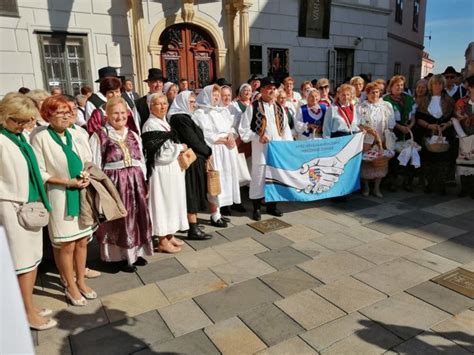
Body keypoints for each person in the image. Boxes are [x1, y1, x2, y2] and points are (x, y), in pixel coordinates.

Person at [31, 96, 96, 306]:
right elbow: (38, 171)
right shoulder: (40, 137)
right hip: (59, 195)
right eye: (60, 112)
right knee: (66, 244)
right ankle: (70, 285)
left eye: (69, 111)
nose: (66, 116)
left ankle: (81, 281)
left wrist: (86, 174)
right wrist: (66, 182)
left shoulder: (75, 133)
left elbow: (87, 158)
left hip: (81, 194)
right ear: (47, 114)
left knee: (82, 241)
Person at [0, 94, 57, 330]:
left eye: (27, 121)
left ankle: (28, 306)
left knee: (32, 261)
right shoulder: (2, 140)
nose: (23, 125)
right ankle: (25, 314)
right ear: (5, 116)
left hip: (30, 204)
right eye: (18, 121)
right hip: (10, 206)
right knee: (22, 263)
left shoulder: (18, 136)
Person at [89, 97, 153, 271]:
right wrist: (101, 188)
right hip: (114, 182)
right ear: (107, 115)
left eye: (123, 112)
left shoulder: (132, 134)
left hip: (135, 181)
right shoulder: (100, 135)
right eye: (115, 113)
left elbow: (140, 159)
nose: (120, 116)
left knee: (137, 217)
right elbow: (94, 164)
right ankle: (116, 257)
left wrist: (143, 180)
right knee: (118, 219)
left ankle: (134, 253)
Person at [239, 76, 293, 221]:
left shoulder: (280, 108)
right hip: (261, 150)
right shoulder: (253, 107)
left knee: (275, 178)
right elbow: (243, 131)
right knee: (258, 179)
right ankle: (256, 208)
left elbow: (286, 130)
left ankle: (271, 206)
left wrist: (287, 147)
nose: (272, 90)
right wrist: (258, 137)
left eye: (274, 88)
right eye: (269, 88)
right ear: (262, 89)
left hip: (277, 151)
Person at [142, 93, 188, 252]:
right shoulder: (150, 125)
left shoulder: (163, 123)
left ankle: (169, 235)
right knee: (163, 204)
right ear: (150, 106)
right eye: (158, 104)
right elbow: (160, 154)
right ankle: (162, 240)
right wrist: (180, 148)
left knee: (172, 203)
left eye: (165, 103)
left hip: (172, 171)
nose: (162, 107)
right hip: (161, 172)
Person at [193, 85, 241, 227]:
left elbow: (231, 127)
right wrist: (223, 140)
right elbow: (206, 135)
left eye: (217, 95)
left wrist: (231, 136)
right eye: (213, 95)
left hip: (227, 150)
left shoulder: (222, 111)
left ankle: (220, 212)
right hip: (215, 150)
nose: (216, 98)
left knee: (226, 181)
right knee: (215, 182)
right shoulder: (200, 113)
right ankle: (214, 215)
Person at [168, 91, 213, 240]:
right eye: (191, 102)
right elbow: (192, 140)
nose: (193, 104)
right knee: (191, 193)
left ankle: (192, 224)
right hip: (191, 162)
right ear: (182, 102)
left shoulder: (186, 117)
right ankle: (192, 229)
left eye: (194, 102)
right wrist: (208, 151)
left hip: (196, 160)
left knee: (195, 192)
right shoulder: (180, 118)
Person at [416, 74, 455, 195]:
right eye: (434, 84)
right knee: (428, 159)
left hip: (444, 133)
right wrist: (429, 126)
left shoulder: (449, 100)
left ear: (443, 85)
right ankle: (428, 183)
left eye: (439, 84)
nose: (437, 86)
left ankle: (441, 184)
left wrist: (447, 125)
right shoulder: (424, 100)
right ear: (431, 85)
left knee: (443, 160)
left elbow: (453, 117)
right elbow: (419, 118)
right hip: (428, 133)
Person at [357, 82, 395, 197]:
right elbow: (357, 123)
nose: (375, 94)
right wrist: (369, 132)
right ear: (367, 94)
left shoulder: (386, 105)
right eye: (372, 92)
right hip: (367, 138)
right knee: (367, 162)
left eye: (377, 92)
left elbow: (391, 123)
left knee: (380, 162)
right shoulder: (361, 106)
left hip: (382, 137)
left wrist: (385, 137)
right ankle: (366, 187)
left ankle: (377, 188)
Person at [383, 75, 416, 191]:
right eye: (397, 85)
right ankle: (392, 181)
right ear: (391, 86)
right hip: (393, 129)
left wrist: (410, 125)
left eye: (402, 85)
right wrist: (400, 127)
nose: (400, 87)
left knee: (409, 153)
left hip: (408, 129)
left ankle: (407, 181)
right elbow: (387, 118)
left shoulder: (408, 98)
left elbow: (413, 115)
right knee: (393, 156)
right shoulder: (385, 100)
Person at [454, 75, 474, 198]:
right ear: (470, 88)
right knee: (464, 161)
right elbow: (457, 117)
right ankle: (464, 188)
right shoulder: (462, 102)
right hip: (464, 135)